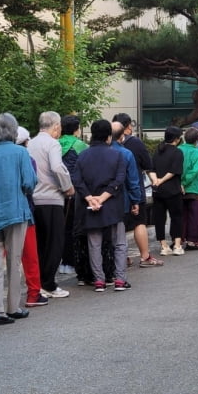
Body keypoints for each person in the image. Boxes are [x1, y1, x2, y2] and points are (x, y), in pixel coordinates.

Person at [0, 114, 38, 326]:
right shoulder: (21, 153)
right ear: (13, 131)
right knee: (14, 260)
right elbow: (30, 183)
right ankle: (13, 307)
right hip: (15, 210)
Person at [73, 120, 129, 292]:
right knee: (119, 242)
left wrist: (91, 198)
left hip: (90, 205)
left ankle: (99, 280)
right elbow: (119, 179)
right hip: (112, 204)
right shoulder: (117, 155)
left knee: (94, 243)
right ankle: (120, 279)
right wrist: (103, 198)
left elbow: (77, 180)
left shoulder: (82, 155)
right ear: (108, 136)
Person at [27, 111, 75, 299]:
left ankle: (37, 284)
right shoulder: (52, 144)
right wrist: (68, 187)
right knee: (55, 244)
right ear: (56, 127)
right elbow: (57, 167)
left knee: (39, 245)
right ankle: (49, 284)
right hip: (52, 199)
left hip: (34, 199)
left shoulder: (30, 143)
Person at [112, 122, 163, 267]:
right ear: (126, 129)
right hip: (132, 192)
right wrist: (136, 198)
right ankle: (145, 256)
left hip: (109, 196)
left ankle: (122, 257)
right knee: (139, 222)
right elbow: (147, 164)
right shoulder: (133, 146)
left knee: (117, 227)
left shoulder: (100, 149)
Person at [58, 115, 89, 276]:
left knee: (59, 228)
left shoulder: (55, 144)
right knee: (73, 228)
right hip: (75, 192)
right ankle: (71, 262)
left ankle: (60, 261)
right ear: (77, 129)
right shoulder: (80, 145)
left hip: (56, 192)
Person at [151, 126, 185, 254]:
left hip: (158, 191)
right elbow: (174, 171)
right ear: (176, 139)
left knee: (159, 218)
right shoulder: (177, 152)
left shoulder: (157, 150)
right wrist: (162, 180)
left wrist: (156, 181)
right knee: (176, 216)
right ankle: (177, 245)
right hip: (173, 190)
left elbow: (151, 169)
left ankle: (164, 246)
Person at [177, 127, 198, 251]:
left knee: (180, 215)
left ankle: (179, 239)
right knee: (194, 215)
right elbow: (195, 171)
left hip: (178, 187)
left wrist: (180, 183)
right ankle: (191, 241)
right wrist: (185, 182)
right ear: (197, 140)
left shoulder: (178, 150)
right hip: (193, 188)